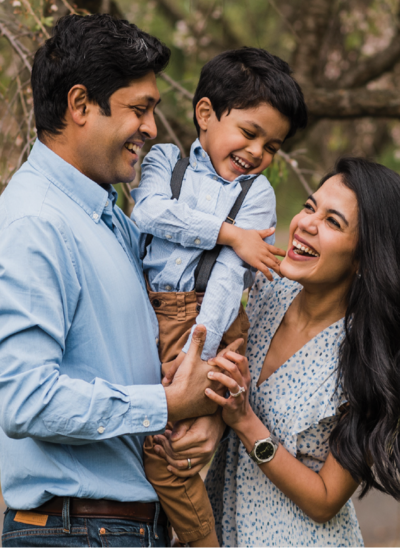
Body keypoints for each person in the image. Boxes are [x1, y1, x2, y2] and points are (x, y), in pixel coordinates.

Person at [0, 13, 226, 547]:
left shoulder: (104, 212)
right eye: (140, 109)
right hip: (79, 532)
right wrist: (166, 406)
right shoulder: (36, 225)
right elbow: (26, 400)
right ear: (81, 105)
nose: (152, 129)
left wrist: (201, 411)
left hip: (115, 529)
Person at [166, 158, 400, 546]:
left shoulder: (369, 359)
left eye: (333, 222)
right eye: (310, 207)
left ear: (364, 257)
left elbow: (326, 500)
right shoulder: (267, 291)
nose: (306, 224)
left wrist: (246, 423)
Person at [130, 48, 308, 548]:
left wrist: (198, 355)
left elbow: (230, 281)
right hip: (155, 313)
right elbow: (149, 215)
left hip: (210, 319)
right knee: (158, 444)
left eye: (272, 146)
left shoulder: (257, 194)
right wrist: (229, 233)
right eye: (250, 133)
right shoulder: (165, 161)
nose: (258, 153)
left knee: (165, 457)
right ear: (205, 114)